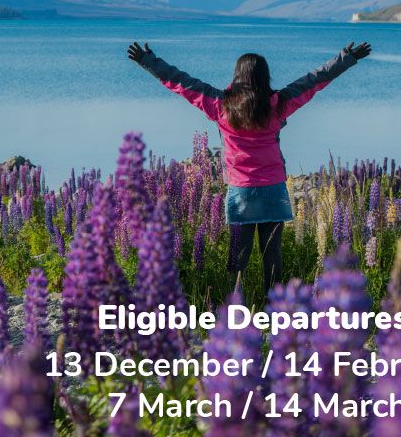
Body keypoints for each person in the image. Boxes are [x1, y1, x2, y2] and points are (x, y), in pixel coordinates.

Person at [127, 39, 371, 295]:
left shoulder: (220, 104)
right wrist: (347, 57)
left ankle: (235, 305)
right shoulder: (278, 103)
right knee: (272, 253)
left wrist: (148, 61)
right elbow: (314, 81)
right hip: (273, 189)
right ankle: (274, 307)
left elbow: (182, 82)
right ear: (265, 75)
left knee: (238, 255)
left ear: (237, 75)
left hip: (241, 190)